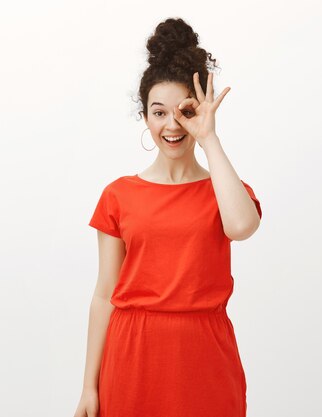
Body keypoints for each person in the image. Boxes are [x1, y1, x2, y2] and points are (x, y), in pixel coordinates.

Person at [73, 17, 262, 417]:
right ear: (144, 117)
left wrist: (209, 137)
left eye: (185, 112)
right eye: (159, 113)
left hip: (205, 358)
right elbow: (104, 294)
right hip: (133, 358)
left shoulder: (223, 190)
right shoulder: (118, 196)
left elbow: (242, 227)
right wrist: (89, 386)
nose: (172, 125)